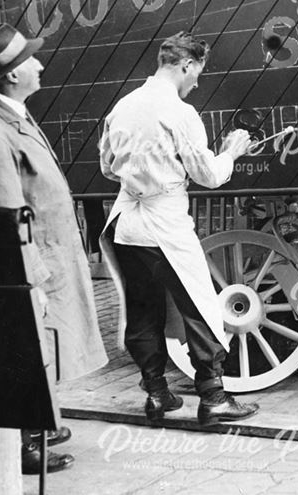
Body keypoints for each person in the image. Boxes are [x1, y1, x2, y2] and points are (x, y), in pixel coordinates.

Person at [98, 32, 258, 426]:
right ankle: (214, 398)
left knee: (143, 311)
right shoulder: (180, 112)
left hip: (126, 225)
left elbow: (106, 166)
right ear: (186, 65)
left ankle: (156, 395)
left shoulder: (123, 106)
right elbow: (208, 175)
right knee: (200, 306)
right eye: (198, 72)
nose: (198, 82)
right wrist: (231, 152)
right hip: (164, 223)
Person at [0, 23, 107, 474]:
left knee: (49, 345)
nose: (40, 64)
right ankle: (25, 444)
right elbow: (5, 218)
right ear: (11, 75)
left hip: (50, 257)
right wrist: (28, 281)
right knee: (27, 347)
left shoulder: (15, 117)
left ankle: (42, 425)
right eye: (31, 59)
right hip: (34, 266)